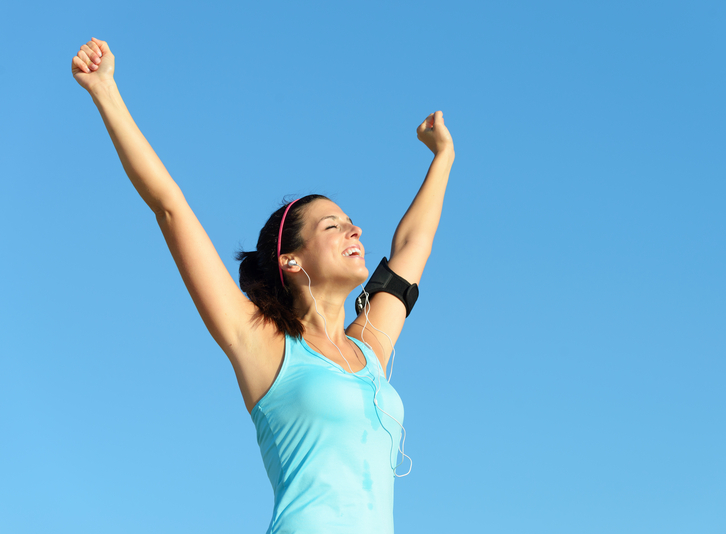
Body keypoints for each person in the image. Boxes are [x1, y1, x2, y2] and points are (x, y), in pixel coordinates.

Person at [72, 37, 454, 534]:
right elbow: (170, 207)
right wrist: (104, 90)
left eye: (351, 223)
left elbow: (411, 247)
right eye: (333, 226)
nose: (355, 231)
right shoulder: (264, 344)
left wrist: (442, 157)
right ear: (290, 260)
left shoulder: (370, 348)